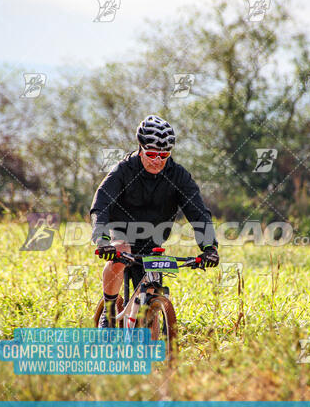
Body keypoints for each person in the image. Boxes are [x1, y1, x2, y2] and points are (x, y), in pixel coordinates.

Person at [90, 115, 219, 328]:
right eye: (151, 153)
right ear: (140, 148)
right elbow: (101, 203)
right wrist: (102, 240)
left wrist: (209, 247)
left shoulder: (178, 176)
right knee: (119, 251)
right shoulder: (123, 170)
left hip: (153, 240)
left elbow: (198, 212)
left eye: (164, 155)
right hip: (122, 232)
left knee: (150, 305)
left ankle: (144, 343)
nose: (157, 160)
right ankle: (109, 311)